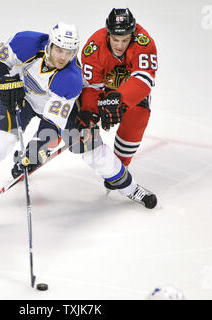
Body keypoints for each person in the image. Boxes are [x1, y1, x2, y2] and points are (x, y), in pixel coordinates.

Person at [0, 22, 83, 220]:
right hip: (19, 100)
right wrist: (8, 82)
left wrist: (38, 148)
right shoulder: (26, 42)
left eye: (69, 52)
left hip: (47, 109)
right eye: (59, 50)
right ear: (50, 45)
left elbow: (52, 124)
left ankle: (26, 160)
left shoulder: (71, 79)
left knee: (41, 147)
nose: (63, 57)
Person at [75, 8, 158, 207]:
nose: (120, 45)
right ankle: (35, 151)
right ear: (108, 33)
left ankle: (119, 168)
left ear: (133, 33)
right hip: (102, 91)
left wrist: (120, 101)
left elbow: (144, 79)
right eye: (115, 39)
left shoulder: (144, 42)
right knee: (76, 121)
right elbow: (90, 86)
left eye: (125, 39)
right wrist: (89, 112)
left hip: (128, 92)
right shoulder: (94, 46)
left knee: (139, 115)